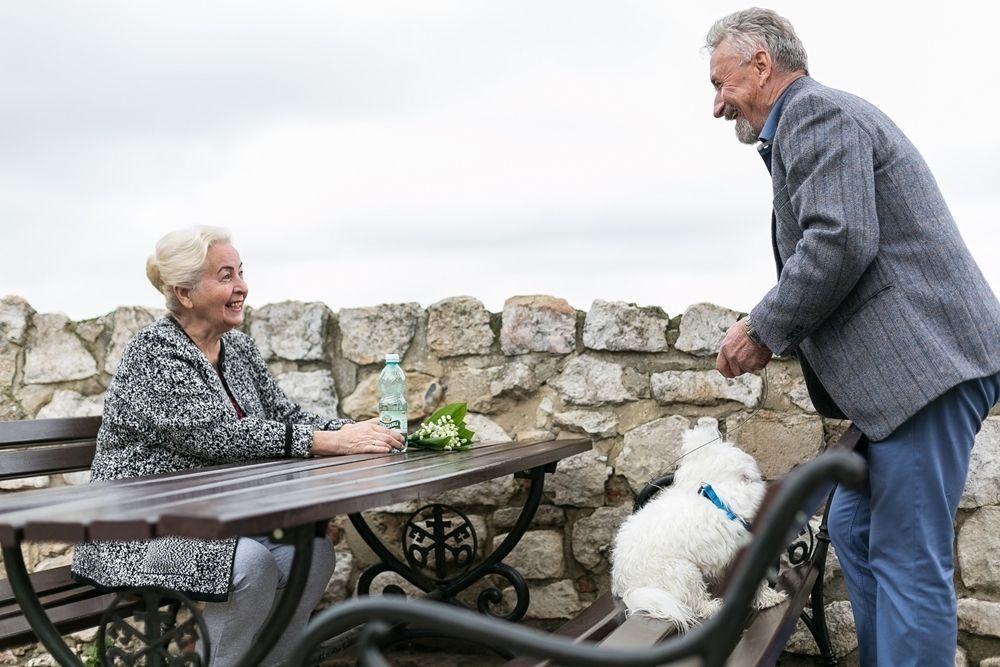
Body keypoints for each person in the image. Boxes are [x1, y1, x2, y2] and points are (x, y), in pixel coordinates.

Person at [704, 8, 1000, 666]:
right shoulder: (806, 126)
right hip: (916, 375)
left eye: (722, 85)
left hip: (926, 367)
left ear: (762, 65)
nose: (717, 106)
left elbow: (840, 241)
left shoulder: (814, 114)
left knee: (906, 554)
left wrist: (762, 327)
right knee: (856, 528)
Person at [71, 225, 405, 666]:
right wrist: (328, 441)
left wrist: (361, 432)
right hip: (135, 532)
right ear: (185, 293)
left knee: (312, 553)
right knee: (249, 562)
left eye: (240, 273)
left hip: (209, 523)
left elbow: (285, 415)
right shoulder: (154, 353)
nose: (241, 286)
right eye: (225, 275)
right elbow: (217, 436)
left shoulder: (239, 348)